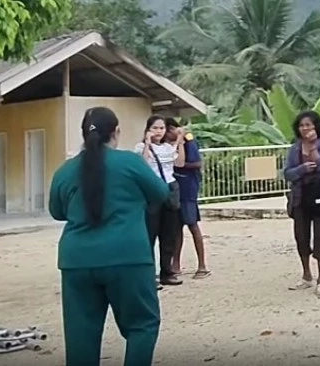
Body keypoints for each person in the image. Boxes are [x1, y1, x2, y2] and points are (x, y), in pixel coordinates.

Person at [49, 106, 167, 366]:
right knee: (142, 325)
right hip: (128, 256)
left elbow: (57, 212)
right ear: (116, 132)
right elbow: (160, 193)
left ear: (84, 134)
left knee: (81, 336)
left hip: (77, 261)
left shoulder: (65, 171)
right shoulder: (130, 162)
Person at [282, 109, 320, 296]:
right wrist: (302, 169)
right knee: (301, 236)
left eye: (308, 125)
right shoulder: (294, 147)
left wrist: (312, 148)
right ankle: (306, 275)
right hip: (300, 196)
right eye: (302, 125)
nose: (305, 128)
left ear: (315, 126)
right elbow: (287, 173)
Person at [134, 115, 184, 287]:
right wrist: (147, 143)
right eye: (155, 128)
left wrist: (180, 141)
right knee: (150, 234)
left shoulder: (168, 148)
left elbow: (179, 163)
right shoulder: (141, 147)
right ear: (148, 129)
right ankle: (149, 274)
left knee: (169, 234)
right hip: (152, 191)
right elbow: (143, 164)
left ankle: (166, 272)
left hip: (169, 189)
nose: (159, 131)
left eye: (162, 128)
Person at [169, 120, 210, 279]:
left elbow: (197, 162)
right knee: (176, 229)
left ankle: (202, 265)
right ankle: (175, 264)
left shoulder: (188, 142)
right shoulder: (168, 145)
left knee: (193, 226)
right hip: (175, 190)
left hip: (188, 190)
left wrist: (179, 163)